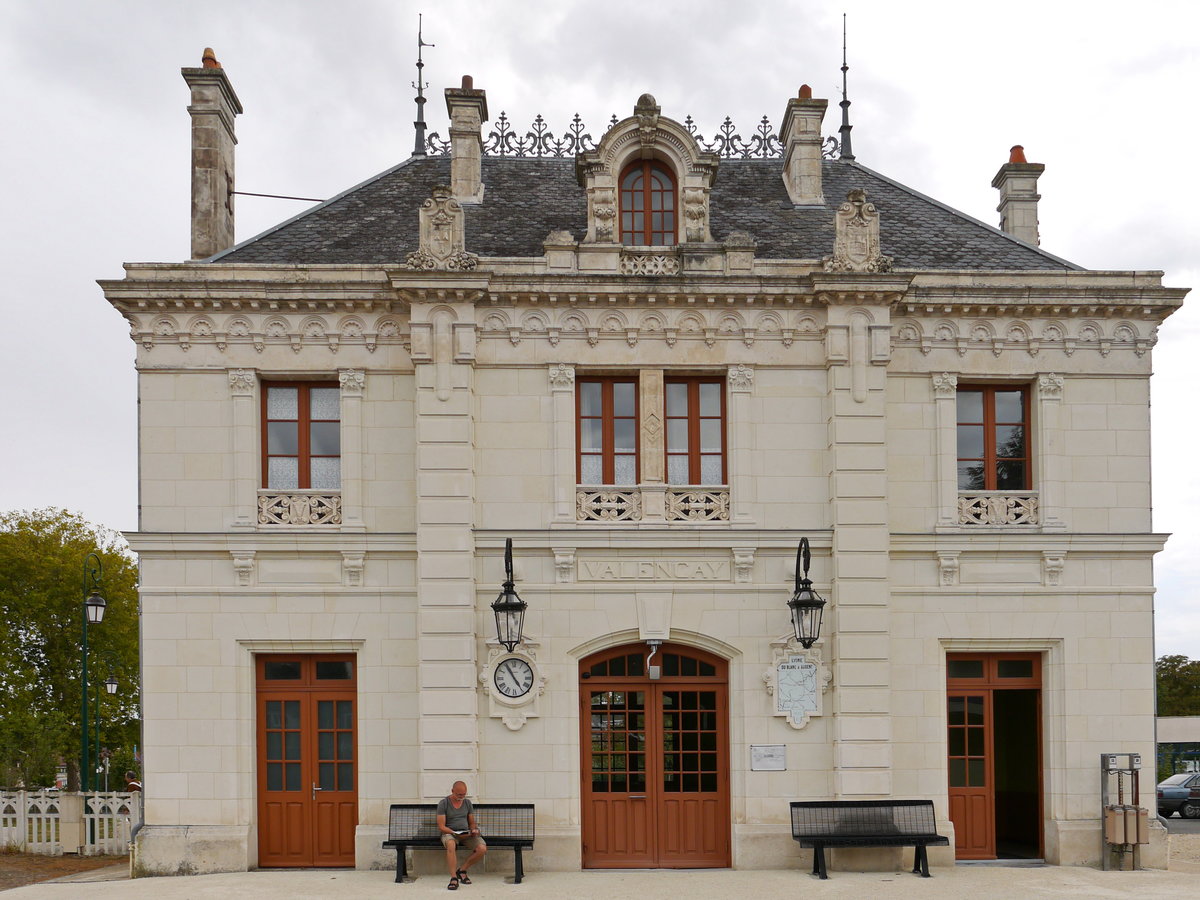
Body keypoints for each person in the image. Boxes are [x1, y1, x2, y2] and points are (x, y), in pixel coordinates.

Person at [436, 780, 486, 890]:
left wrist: (473, 829)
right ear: (452, 791)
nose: (462, 797)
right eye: (459, 795)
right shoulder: (444, 803)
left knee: (482, 848)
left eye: (464, 794)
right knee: (451, 844)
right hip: (449, 833)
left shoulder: (467, 803)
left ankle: (462, 870)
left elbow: (471, 822)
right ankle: (454, 878)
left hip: (465, 833)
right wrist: (454, 832)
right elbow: (441, 826)